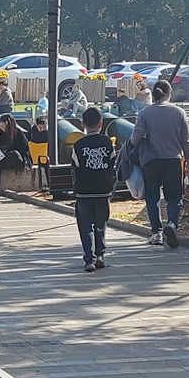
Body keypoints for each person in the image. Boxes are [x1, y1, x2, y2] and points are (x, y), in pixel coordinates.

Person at [128, 80, 189, 248]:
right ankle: (172, 224)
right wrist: (188, 162)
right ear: (169, 93)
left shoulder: (145, 113)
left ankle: (156, 233)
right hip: (173, 160)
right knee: (174, 197)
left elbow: (135, 138)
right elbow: (186, 141)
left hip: (151, 161)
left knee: (152, 197)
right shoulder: (179, 112)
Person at [72, 107, 115, 272]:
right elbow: (112, 166)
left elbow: (74, 168)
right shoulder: (107, 143)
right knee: (100, 224)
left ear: (83, 124)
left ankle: (89, 259)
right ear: (101, 123)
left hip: (83, 192)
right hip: (103, 190)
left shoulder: (78, 145)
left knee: (85, 227)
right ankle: (100, 255)